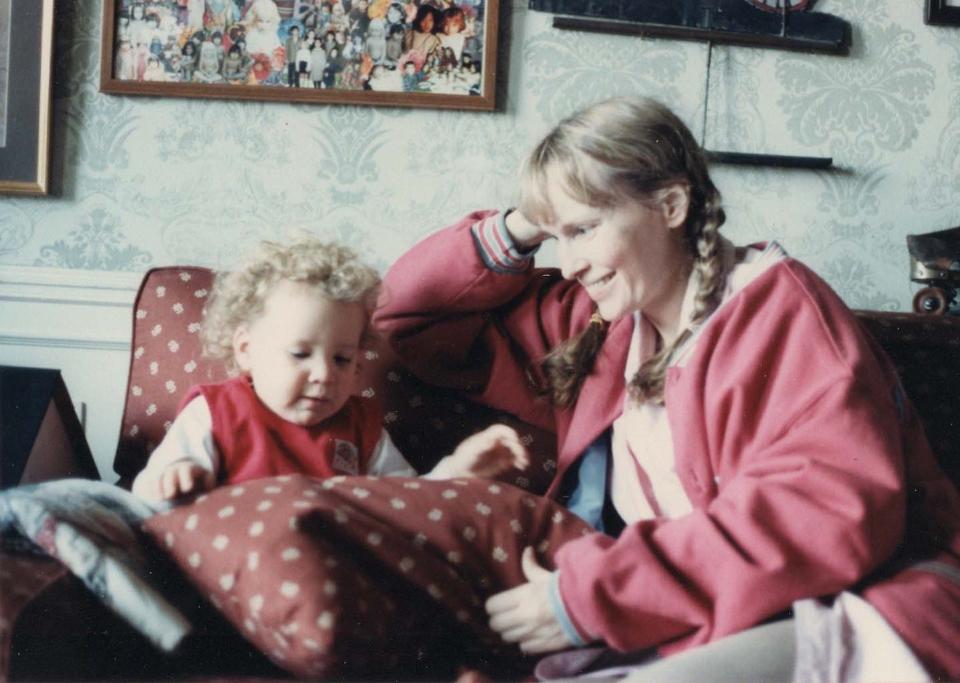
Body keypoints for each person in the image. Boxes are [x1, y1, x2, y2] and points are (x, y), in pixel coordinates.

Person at [374, 97, 960, 680]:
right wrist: (528, 219)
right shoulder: (601, 322)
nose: (571, 262)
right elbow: (407, 318)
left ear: (671, 204)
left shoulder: (780, 312)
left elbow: (826, 518)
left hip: (858, 603)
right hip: (696, 615)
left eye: (585, 229)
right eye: (559, 239)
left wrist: (596, 596)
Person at [132, 239, 529, 505]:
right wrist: (174, 477)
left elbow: (404, 504)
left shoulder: (361, 425)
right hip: (233, 554)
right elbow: (148, 493)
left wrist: (455, 469)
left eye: (342, 359)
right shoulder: (215, 411)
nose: (324, 374)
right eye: (300, 354)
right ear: (246, 348)